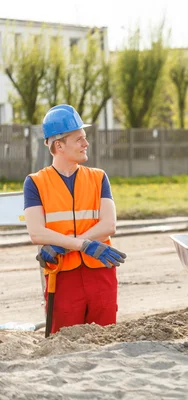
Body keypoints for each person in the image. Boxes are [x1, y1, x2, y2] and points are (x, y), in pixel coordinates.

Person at [24, 104, 127, 335]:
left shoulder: (98, 177)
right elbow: (36, 233)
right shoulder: (35, 182)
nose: (86, 143)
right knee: (63, 341)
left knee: (105, 338)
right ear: (58, 145)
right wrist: (83, 245)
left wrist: (62, 244)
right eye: (79, 138)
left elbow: (109, 225)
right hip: (62, 276)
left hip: (100, 271)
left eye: (85, 137)